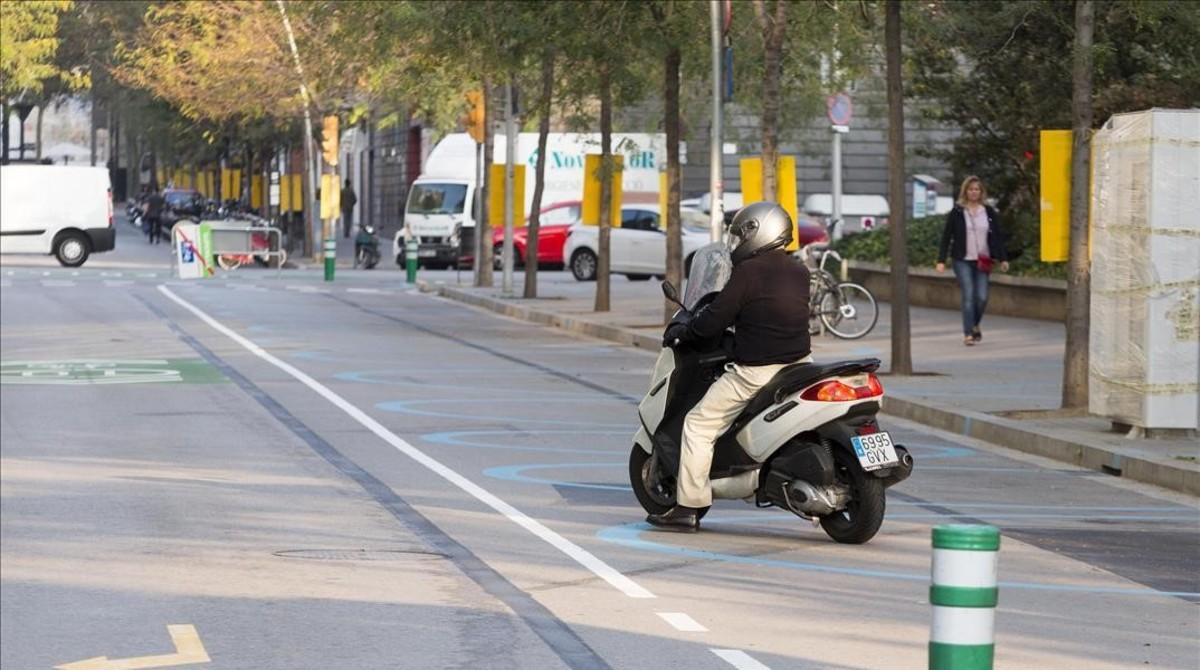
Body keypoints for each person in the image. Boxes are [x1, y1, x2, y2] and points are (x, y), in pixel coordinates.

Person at [648, 202, 812, 533]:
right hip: (798, 365)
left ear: (755, 233)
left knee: (697, 424)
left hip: (756, 372)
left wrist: (687, 330)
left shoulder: (748, 272)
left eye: (740, 235)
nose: (736, 242)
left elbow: (715, 320)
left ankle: (688, 507)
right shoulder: (799, 270)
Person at [936, 176, 1009, 346]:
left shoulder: (989, 212)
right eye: (971, 189)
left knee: (982, 297)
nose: (974, 192)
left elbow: (997, 236)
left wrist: (1003, 258)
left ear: (981, 192)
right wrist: (941, 260)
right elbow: (947, 236)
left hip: (983, 260)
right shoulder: (957, 212)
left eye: (977, 189)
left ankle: (974, 323)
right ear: (965, 191)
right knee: (968, 295)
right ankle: (968, 333)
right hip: (962, 259)